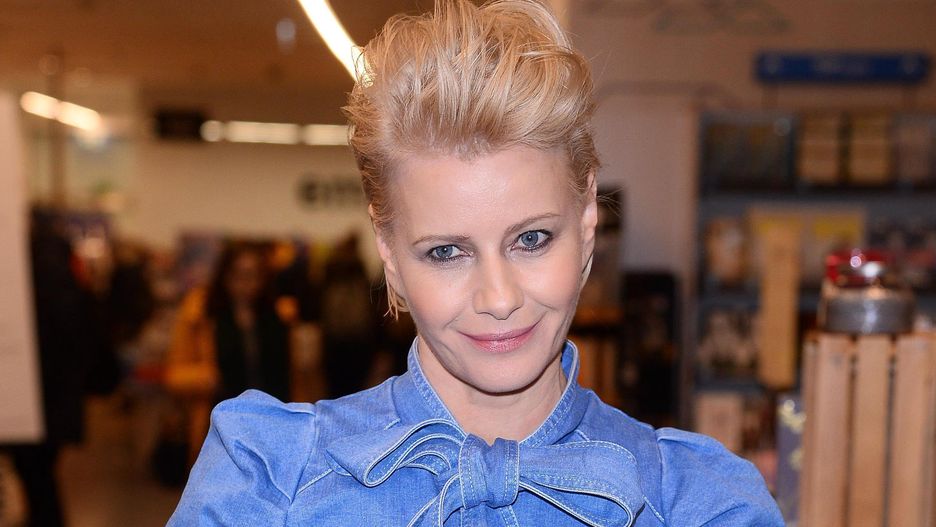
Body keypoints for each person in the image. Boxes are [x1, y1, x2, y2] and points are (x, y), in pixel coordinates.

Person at [169, 1, 783, 525]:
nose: (499, 297)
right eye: (446, 252)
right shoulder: (267, 480)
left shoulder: (700, 502)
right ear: (388, 250)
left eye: (532, 240)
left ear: (587, 219)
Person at [165, 241, 291, 464]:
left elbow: (291, 376)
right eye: (239, 274)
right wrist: (206, 377)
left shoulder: (277, 316)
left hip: (271, 424)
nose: (246, 283)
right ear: (224, 275)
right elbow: (174, 375)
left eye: (254, 275)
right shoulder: (201, 315)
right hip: (219, 428)